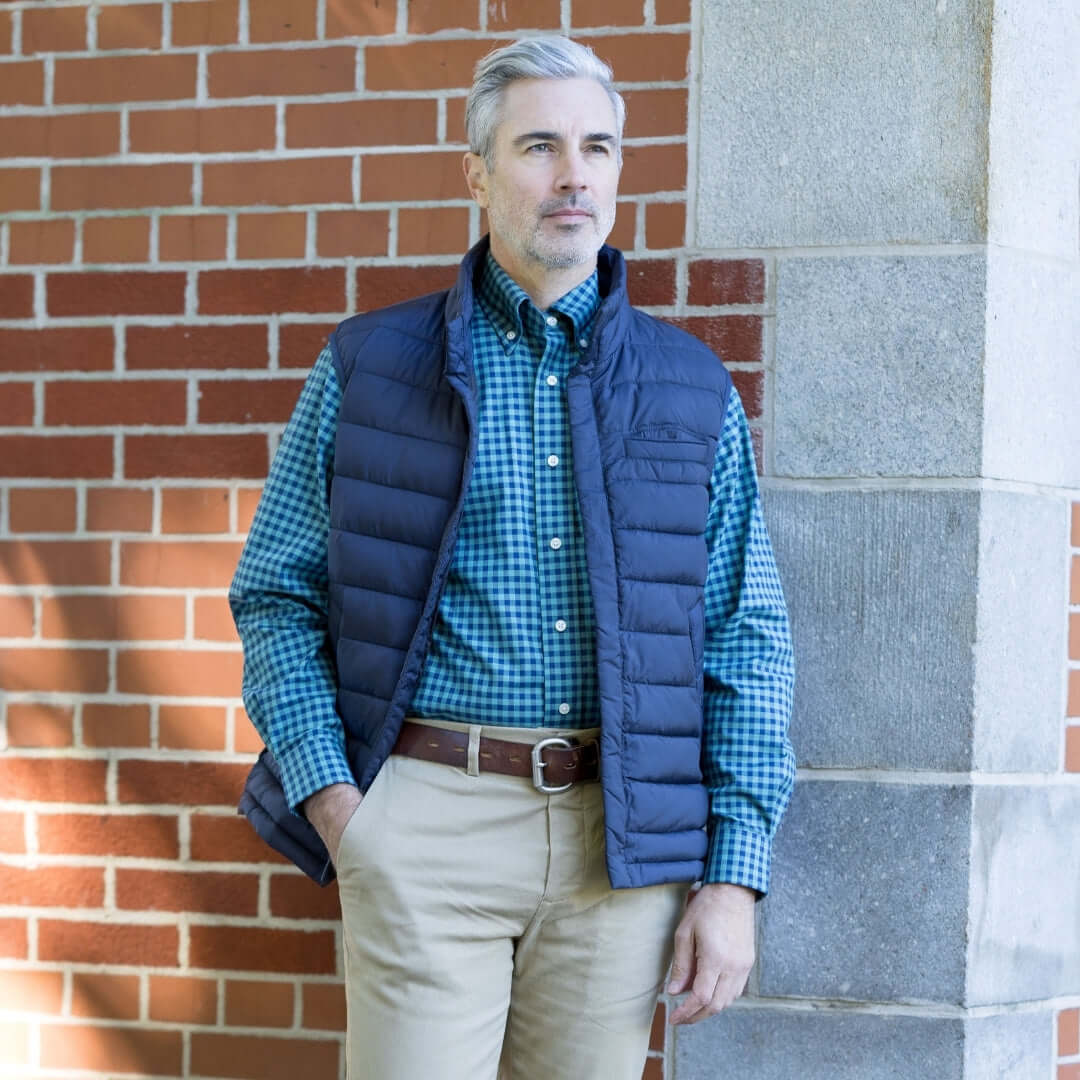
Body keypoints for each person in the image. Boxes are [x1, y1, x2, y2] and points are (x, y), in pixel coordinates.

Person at [231, 35, 795, 1080]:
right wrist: (342, 810)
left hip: (620, 848)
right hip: (424, 822)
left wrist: (733, 877)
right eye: (540, 146)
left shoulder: (692, 389)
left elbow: (745, 637)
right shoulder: (368, 366)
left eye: (597, 147)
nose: (574, 174)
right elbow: (276, 594)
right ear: (478, 173)